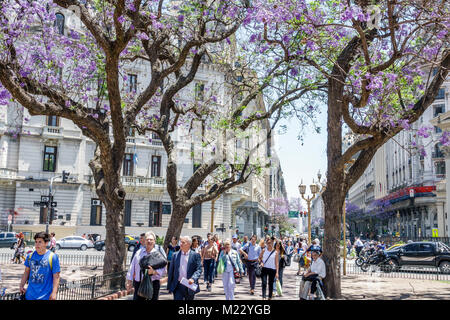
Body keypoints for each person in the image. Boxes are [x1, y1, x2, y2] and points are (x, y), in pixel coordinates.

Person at [126, 231, 167, 300]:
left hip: (153, 284)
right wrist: (129, 281)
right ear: (144, 241)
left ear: (154, 241)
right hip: (139, 283)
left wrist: (154, 272)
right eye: (147, 239)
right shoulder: (139, 253)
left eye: (151, 239)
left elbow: (164, 271)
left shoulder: (158, 255)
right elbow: (132, 267)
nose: (149, 241)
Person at [20, 232, 61, 300]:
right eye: (36, 242)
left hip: (45, 297)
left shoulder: (53, 257)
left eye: (40, 242)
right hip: (29, 296)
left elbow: (56, 276)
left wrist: (54, 292)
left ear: (46, 243)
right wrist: (21, 285)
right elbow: (26, 272)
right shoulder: (30, 256)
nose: (37, 244)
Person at [167, 236, 202, 300]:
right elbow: (171, 271)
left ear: (189, 244)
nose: (180, 244)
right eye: (180, 242)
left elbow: (199, 269)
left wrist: (193, 278)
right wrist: (169, 286)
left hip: (189, 285)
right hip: (178, 285)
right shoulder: (175, 255)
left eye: (183, 242)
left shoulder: (195, 255)